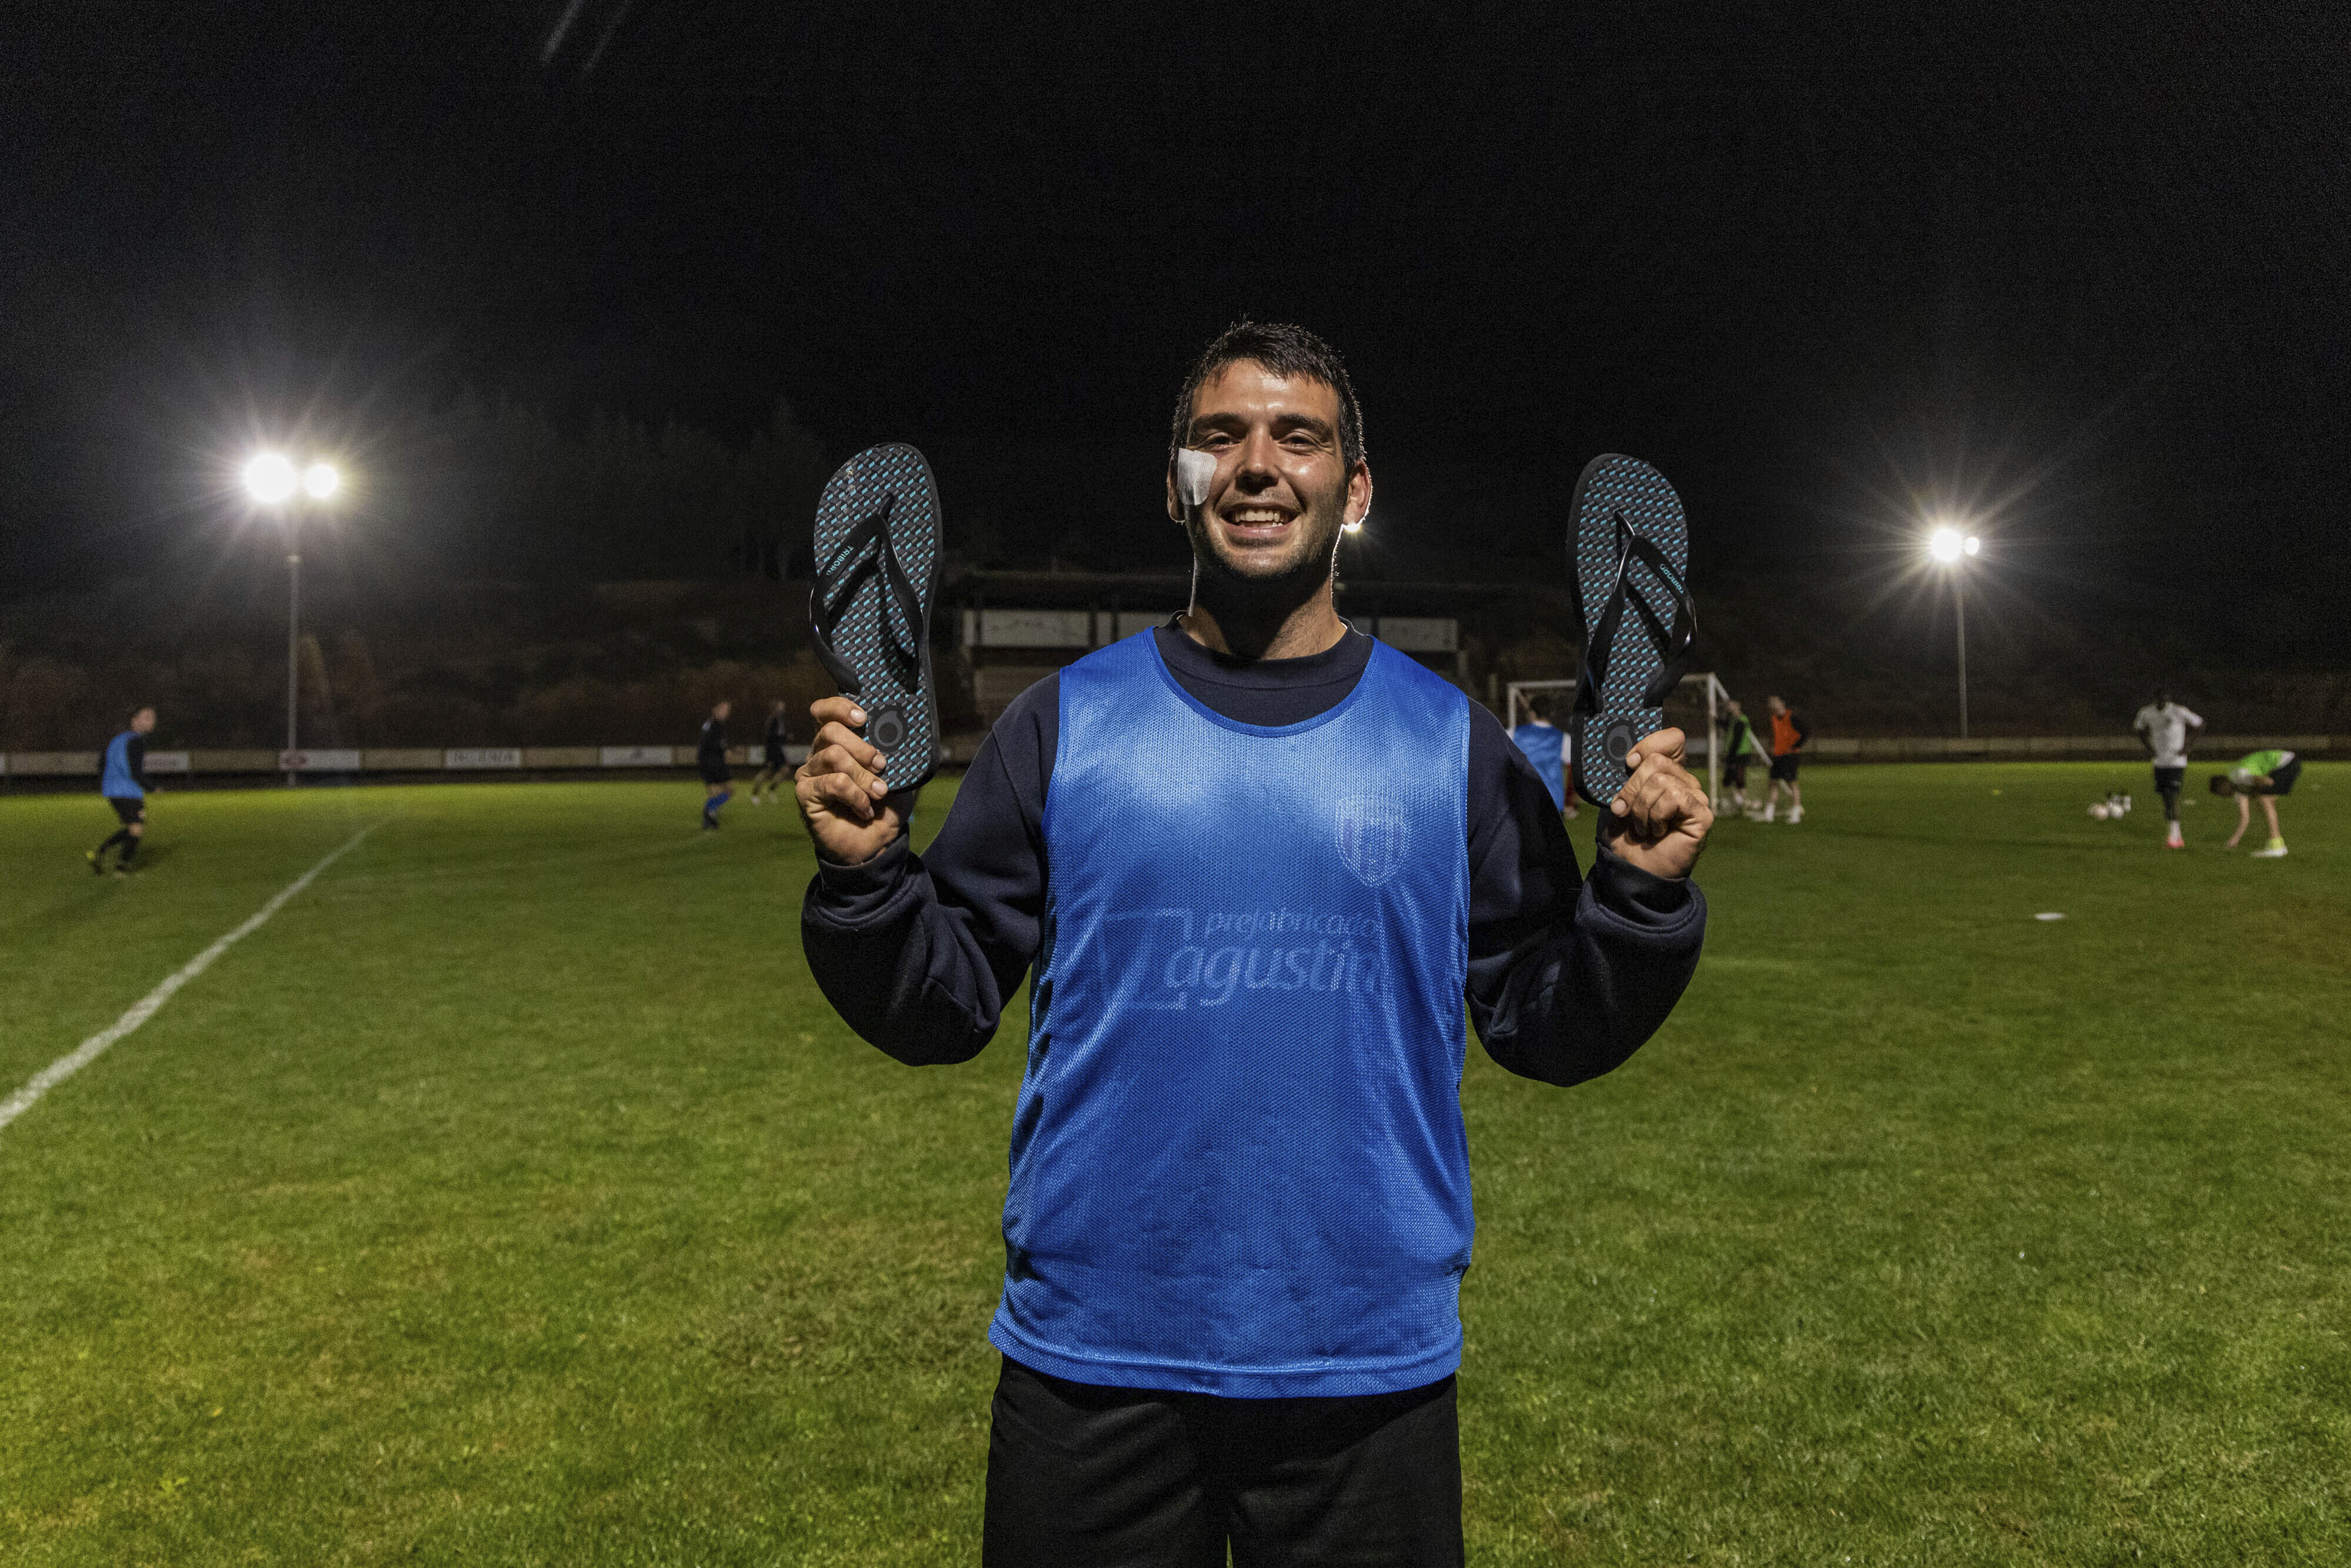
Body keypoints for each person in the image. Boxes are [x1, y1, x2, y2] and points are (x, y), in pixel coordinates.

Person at [795, 321, 1712, 1564]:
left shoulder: (1453, 746)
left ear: (1356, 489)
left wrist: (1639, 899)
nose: (1257, 465)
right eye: (1218, 437)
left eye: (1298, 437)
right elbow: (940, 1002)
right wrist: (865, 878)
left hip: (1365, 1367)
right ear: (1174, 483)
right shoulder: (1061, 726)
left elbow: (1547, 1023)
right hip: (1092, 1366)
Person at [88, 705, 158, 877]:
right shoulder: (137, 741)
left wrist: (107, 784)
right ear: (135, 721)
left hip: (112, 790)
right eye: (147, 717)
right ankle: (120, 868)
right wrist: (152, 788)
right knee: (136, 828)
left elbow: (101, 764)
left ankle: (100, 852)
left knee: (134, 826)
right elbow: (135, 771)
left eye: (153, 718)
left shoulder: (116, 740)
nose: (152, 721)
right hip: (127, 790)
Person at [2132, 689, 2204, 849]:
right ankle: (2177, 836)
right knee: (2166, 797)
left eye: (2165, 701)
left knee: (2173, 795)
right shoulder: (2147, 712)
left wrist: (2187, 747)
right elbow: (2139, 728)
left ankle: (2173, 837)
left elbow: (2200, 724)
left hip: (2176, 762)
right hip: (2159, 762)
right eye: (2160, 700)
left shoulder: (2178, 711)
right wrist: (2149, 747)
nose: (2162, 703)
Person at [2212, 748, 2299, 857]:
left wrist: (2265, 782)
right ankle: (2278, 845)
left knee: (2265, 799)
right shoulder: (2237, 783)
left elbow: (2258, 779)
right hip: (2289, 762)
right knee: (2264, 801)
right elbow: (2245, 817)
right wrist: (2235, 838)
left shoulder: (2240, 777)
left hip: (2286, 763)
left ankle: (2276, 847)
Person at [1508, 694, 1577, 820]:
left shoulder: (1512, 734)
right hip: (1553, 802)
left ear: (1532, 713)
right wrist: (1568, 801)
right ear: (1551, 713)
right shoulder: (1563, 738)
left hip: (1521, 801)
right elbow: (1573, 771)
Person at [1762, 693, 1810, 823]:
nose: (1773, 705)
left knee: (1792, 783)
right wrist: (1772, 746)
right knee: (1773, 783)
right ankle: (1769, 814)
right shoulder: (1773, 718)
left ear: (1782, 703)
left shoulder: (1792, 717)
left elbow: (1806, 732)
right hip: (1778, 756)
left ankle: (1796, 813)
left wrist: (1795, 746)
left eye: (1775, 702)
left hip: (1790, 756)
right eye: (1771, 703)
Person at [1717, 696, 1762, 815]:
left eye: (1731, 705)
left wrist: (1730, 756)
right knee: (1728, 780)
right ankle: (1740, 802)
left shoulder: (1742, 720)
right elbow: (1725, 726)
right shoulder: (1733, 719)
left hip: (1740, 754)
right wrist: (1716, 718)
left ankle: (1742, 804)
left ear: (1737, 706)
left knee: (1739, 779)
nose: (1729, 707)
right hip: (1734, 754)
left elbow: (1737, 740)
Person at [696, 699, 733, 830]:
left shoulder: (710, 723)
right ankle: (709, 811)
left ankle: (709, 817)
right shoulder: (716, 724)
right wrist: (726, 751)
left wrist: (728, 749)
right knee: (729, 790)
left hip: (706, 761)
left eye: (728, 710)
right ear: (716, 710)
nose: (726, 712)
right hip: (713, 761)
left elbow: (712, 742)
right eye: (724, 709)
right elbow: (713, 743)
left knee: (715, 792)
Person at [748, 699, 793, 806]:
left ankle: (771, 790)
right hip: (772, 749)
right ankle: (754, 794)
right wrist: (784, 737)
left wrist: (784, 739)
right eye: (781, 706)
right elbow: (770, 736)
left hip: (778, 749)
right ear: (776, 708)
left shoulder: (779, 719)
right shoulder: (772, 720)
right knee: (766, 772)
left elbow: (778, 736)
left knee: (786, 770)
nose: (783, 708)